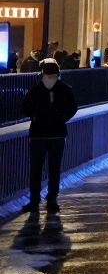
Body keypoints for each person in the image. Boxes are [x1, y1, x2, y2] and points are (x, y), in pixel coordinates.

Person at [21, 59, 78, 213]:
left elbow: (25, 107)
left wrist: (36, 117)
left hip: (41, 133)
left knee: (41, 168)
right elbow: (72, 108)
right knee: (50, 167)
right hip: (53, 133)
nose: (50, 79)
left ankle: (41, 199)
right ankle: (48, 199)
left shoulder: (36, 91)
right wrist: (61, 118)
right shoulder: (64, 90)